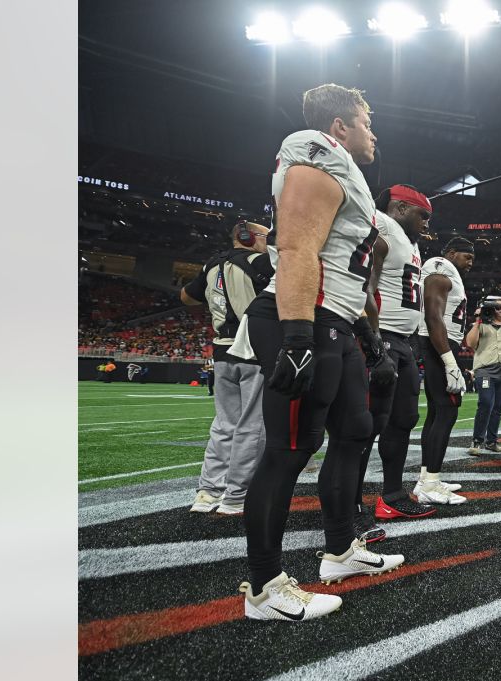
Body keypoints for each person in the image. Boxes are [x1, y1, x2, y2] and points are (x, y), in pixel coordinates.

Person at [238, 83, 403, 623]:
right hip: (305, 318)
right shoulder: (314, 150)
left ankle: (338, 552)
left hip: (337, 318)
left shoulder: (346, 171)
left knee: (356, 429)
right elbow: (298, 248)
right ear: (339, 127)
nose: (372, 133)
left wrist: (366, 329)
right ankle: (264, 588)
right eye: (365, 121)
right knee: (290, 449)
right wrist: (295, 336)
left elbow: (342, 260)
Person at [180, 220, 275, 515]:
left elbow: (186, 296)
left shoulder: (212, 263)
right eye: (265, 236)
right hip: (254, 349)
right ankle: (236, 495)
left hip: (222, 351)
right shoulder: (262, 260)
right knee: (252, 426)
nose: (267, 241)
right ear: (247, 237)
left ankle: (208, 492)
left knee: (224, 425)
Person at [356, 184, 436, 528]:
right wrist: (373, 343)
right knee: (366, 424)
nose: (427, 224)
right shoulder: (383, 227)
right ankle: (350, 504)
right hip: (382, 338)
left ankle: (392, 496)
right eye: (423, 215)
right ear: (400, 208)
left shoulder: (409, 241)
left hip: (403, 342)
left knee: (403, 419)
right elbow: (365, 284)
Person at [415, 238, 477, 503]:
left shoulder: (451, 274)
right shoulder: (441, 268)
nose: (471, 263)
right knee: (447, 410)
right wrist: (449, 361)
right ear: (451, 253)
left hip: (439, 345)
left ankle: (426, 478)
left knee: (437, 412)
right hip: (438, 345)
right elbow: (433, 317)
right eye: (467, 256)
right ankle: (430, 483)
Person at [466, 298, 501, 455]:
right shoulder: (482, 326)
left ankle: (491, 441)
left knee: (498, 408)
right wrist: (477, 320)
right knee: (486, 403)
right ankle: (477, 440)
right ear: (493, 310)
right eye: (500, 307)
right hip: (486, 370)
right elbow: (470, 343)